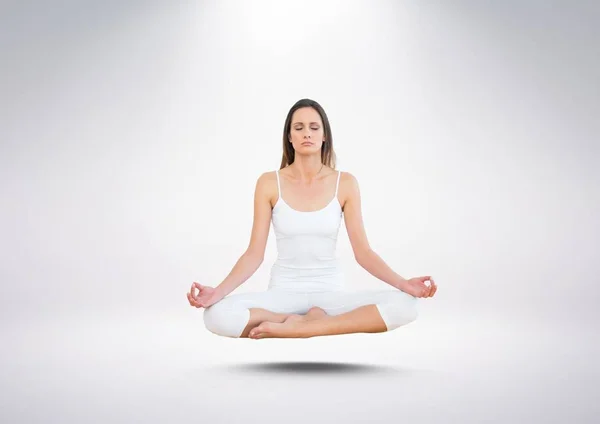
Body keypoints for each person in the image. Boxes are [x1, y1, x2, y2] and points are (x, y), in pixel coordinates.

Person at [186, 98, 437, 339]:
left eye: (314, 127)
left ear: (324, 135)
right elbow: (254, 254)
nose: (307, 133)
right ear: (289, 136)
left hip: (330, 294)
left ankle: (303, 328)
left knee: (407, 305)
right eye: (299, 127)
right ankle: (309, 323)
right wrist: (218, 292)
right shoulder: (268, 183)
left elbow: (364, 253)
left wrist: (405, 284)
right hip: (283, 294)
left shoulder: (345, 183)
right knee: (216, 315)